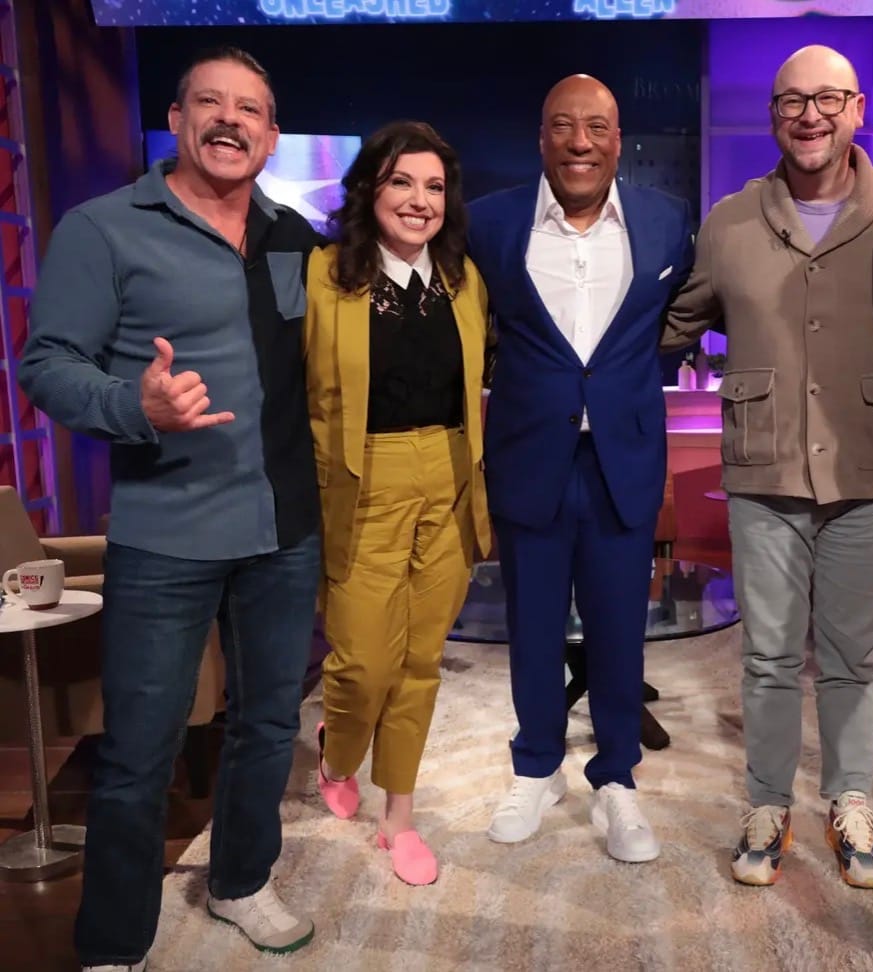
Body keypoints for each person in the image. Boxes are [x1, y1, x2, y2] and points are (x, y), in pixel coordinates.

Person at [19, 47, 325, 971]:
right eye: (211, 104)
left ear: (272, 136)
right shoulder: (103, 227)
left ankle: (239, 882)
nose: (230, 121)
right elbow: (45, 365)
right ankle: (114, 941)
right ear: (178, 118)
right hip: (166, 534)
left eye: (251, 110)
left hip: (284, 530)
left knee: (270, 725)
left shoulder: (293, 238)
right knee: (138, 752)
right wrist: (133, 407)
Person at [663, 45, 873, 891]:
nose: (809, 114)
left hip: (864, 462)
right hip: (762, 466)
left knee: (851, 655)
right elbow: (676, 323)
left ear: (856, 106)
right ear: (773, 116)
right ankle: (767, 804)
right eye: (791, 101)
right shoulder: (729, 221)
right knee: (768, 656)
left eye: (827, 99)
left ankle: (849, 800)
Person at [466, 74, 694, 863]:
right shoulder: (487, 224)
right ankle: (535, 767)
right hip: (531, 453)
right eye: (562, 126)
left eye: (595, 127)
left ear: (616, 137)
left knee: (619, 630)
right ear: (541, 139)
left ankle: (617, 777)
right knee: (529, 623)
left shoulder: (667, 224)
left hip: (621, 458)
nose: (579, 142)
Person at [304, 120, 492, 886]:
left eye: (435, 186)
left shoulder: (464, 280)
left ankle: (399, 817)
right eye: (402, 182)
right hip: (361, 482)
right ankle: (337, 751)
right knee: (359, 665)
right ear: (369, 189)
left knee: (418, 663)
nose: (420, 201)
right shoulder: (323, 274)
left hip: (447, 476)